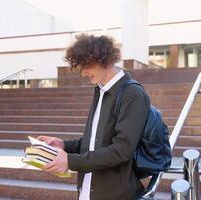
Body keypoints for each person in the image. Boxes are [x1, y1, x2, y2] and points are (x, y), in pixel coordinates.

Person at [38, 34, 150, 200]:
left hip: (115, 194)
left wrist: (70, 161)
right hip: (89, 190)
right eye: (80, 67)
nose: (83, 73)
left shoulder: (132, 93)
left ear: (103, 59)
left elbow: (122, 150)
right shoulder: (101, 90)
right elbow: (95, 142)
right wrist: (64, 145)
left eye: (86, 65)